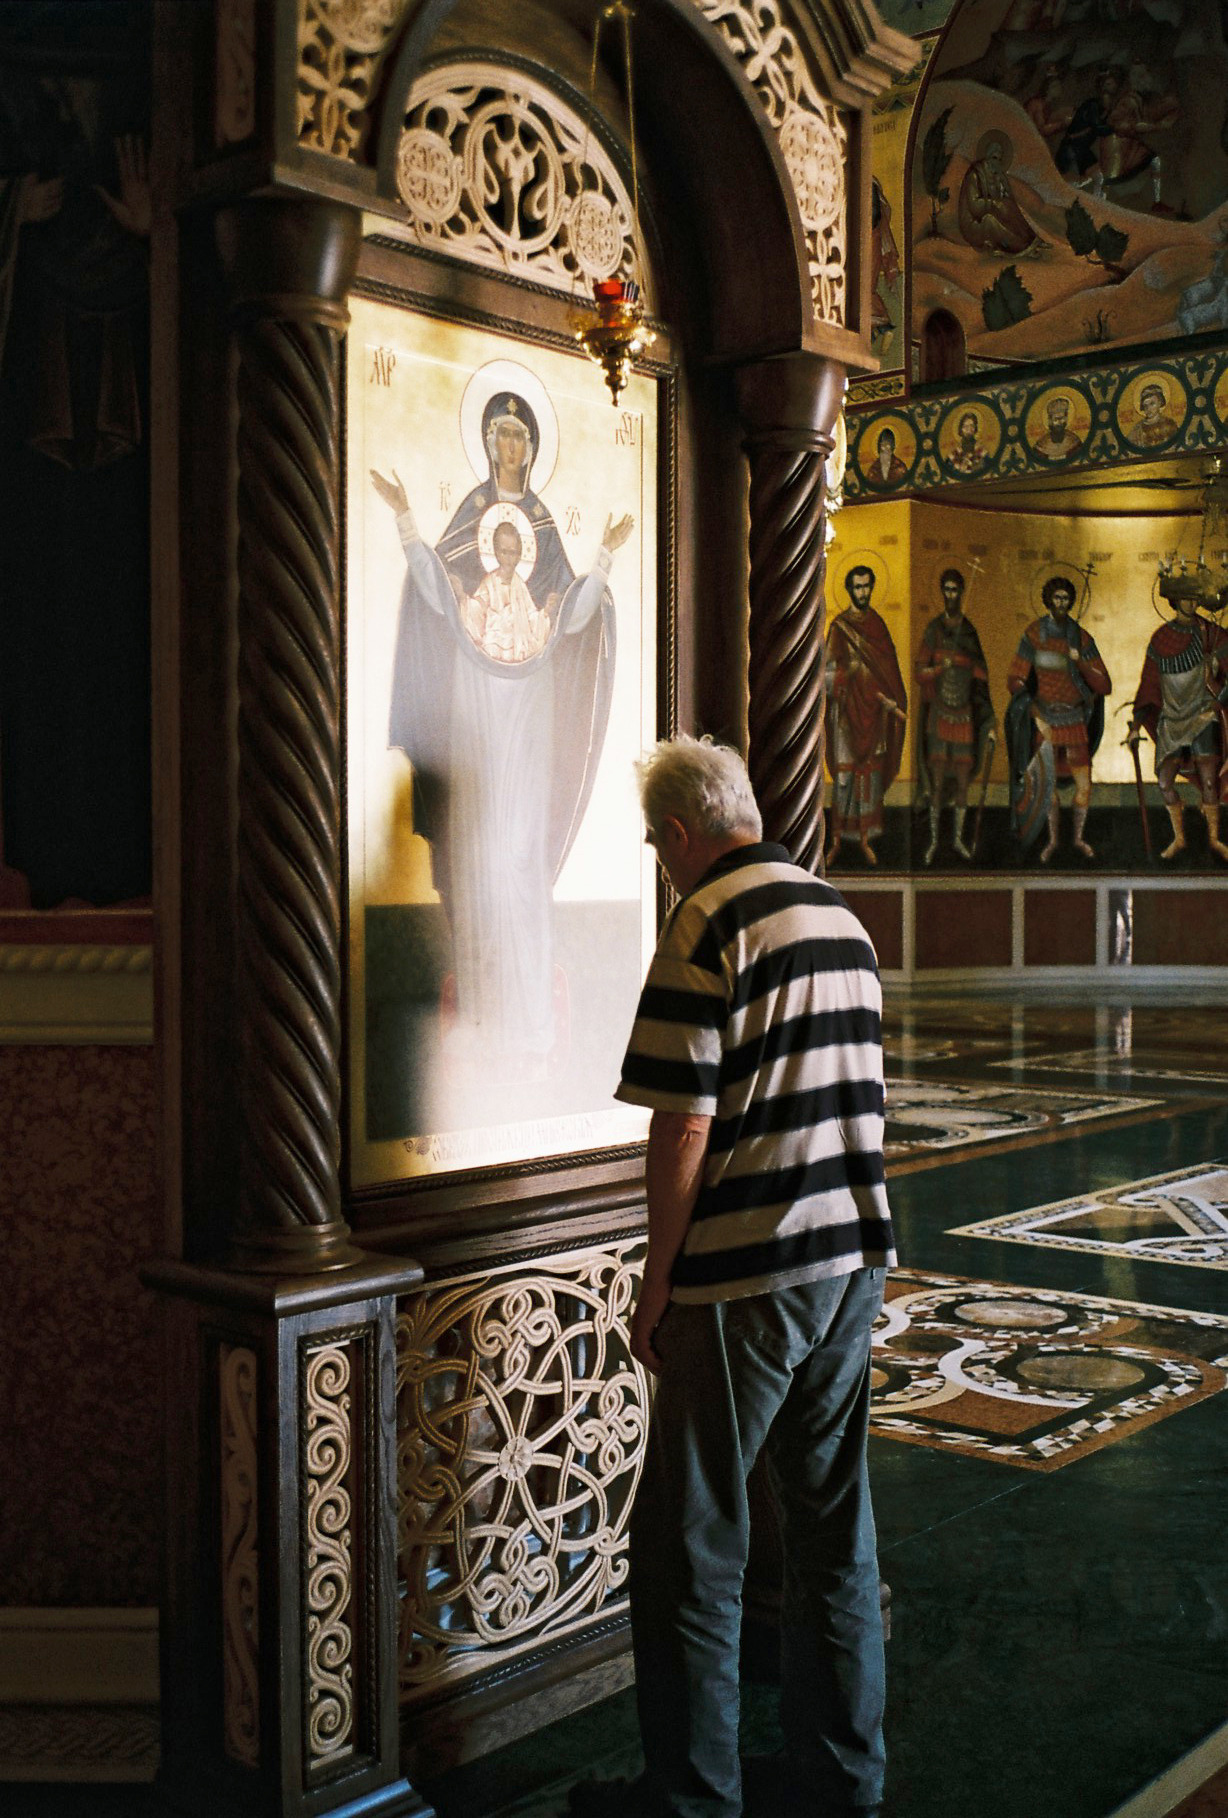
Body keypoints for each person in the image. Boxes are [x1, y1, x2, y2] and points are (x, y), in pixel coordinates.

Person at [574, 734, 894, 1818]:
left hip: (745, 1276)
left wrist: (656, 1278)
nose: (660, 860)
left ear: (676, 833)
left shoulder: (708, 918)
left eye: (653, 843)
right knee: (831, 1533)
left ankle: (692, 1799)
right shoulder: (839, 916)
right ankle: (843, 1778)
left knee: (691, 1548)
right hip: (850, 1262)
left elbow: (682, 1126)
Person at [372, 389, 633, 1066]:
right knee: (481, 854)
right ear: (488, 445)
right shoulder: (470, 517)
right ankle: (487, 1016)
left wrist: (604, 558)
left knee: (522, 854)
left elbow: (573, 613)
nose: (510, 445)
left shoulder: (542, 521)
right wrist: (404, 519)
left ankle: (531, 1023)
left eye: (519, 435)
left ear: (532, 447)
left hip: (530, 708)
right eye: (500, 434)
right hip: (476, 702)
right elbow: (438, 590)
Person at [1006, 575, 1112, 862]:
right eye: (1057, 598)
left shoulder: (1081, 638)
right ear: (1048, 600)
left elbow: (1104, 685)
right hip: (1045, 720)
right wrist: (1035, 714)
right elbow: (1015, 679)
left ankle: (1077, 838)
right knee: (1048, 787)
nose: (1061, 603)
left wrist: (1080, 662)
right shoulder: (1033, 634)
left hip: (1075, 721)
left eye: (1066, 598)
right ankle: (1052, 841)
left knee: (1084, 786)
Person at [1127, 591, 1228, 861]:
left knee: (1209, 780)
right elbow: (1149, 685)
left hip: (1203, 716)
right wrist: (1136, 726)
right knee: (1164, 782)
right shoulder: (1160, 639)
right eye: (1185, 597)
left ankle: (1214, 839)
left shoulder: (1212, 634)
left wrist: (1218, 698)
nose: (1191, 603)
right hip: (1171, 720)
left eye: (1194, 597)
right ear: (1174, 600)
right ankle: (1179, 838)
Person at [824, 566, 908, 866]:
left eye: (867, 586)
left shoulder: (878, 626)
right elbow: (825, 675)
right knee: (845, 778)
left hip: (874, 715)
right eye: (858, 587)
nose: (863, 592)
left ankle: (865, 839)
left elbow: (888, 671)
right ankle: (836, 841)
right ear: (850, 590)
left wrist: (891, 701)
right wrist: (847, 675)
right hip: (846, 716)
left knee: (869, 778)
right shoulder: (839, 627)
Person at [914, 569, 995, 864]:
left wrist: (965, 665)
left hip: (964, 716)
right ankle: (934, 842)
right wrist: (939, 667)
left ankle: (958, 839)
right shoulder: (933, 630)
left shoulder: (969, 632)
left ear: (961, 593)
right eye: (946, 590)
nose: (951, 595)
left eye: (955, 590)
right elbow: (919, 673)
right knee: (936, 783)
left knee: (962, 784)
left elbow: (982, 677)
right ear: (942, 593)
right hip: (939, 713)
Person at [957, 131, 1035, 255]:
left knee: (1009, 205)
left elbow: (1008, 197)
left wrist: (1003, 179)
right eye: (994, 158)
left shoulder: (996, 175)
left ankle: (1029, 238)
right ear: (987, 157)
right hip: (974, 224)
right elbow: (975, 207)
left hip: (992, 214)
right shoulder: (975, 175)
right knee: (990, 221)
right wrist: (993, 204)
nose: (996, 162)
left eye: (999, 159)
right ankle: (1019, 246)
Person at [1032, 394, 1083, 462]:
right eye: (1056, 419)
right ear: (1050, 421)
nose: (1059, 423)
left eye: (1062, 418)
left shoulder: (1074, 441)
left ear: (1066, 419)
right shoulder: (1041, 445)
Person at [1129, 382, 1180, 448]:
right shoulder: (1138, 429)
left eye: (1152, 404)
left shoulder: (1169, 424)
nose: (1148, 408)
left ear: (1160, 403)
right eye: (1145, 405)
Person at [948, 410, 989, 474]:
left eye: (972, 425)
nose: (969, 429)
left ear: (975, 428)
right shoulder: (954, 454)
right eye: (966, 426)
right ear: (961, 429)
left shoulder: (982, 451)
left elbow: (987, 468)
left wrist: (976, 466)